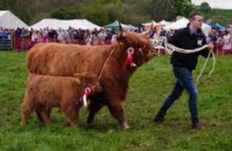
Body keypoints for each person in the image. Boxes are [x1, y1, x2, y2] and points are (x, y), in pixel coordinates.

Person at [153, 11, 214, 130]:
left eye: (202, 20)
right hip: (179, 67)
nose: (201, 22)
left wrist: (210, 49)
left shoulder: (200, 36)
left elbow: (206, 54)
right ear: (192, 20)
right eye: (199, 20)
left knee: (174, 95)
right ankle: (195, 122)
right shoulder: (180, 33)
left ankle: (159, 115)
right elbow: (168, 44)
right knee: (194, 93)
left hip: (189, 69)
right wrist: (162, 42)